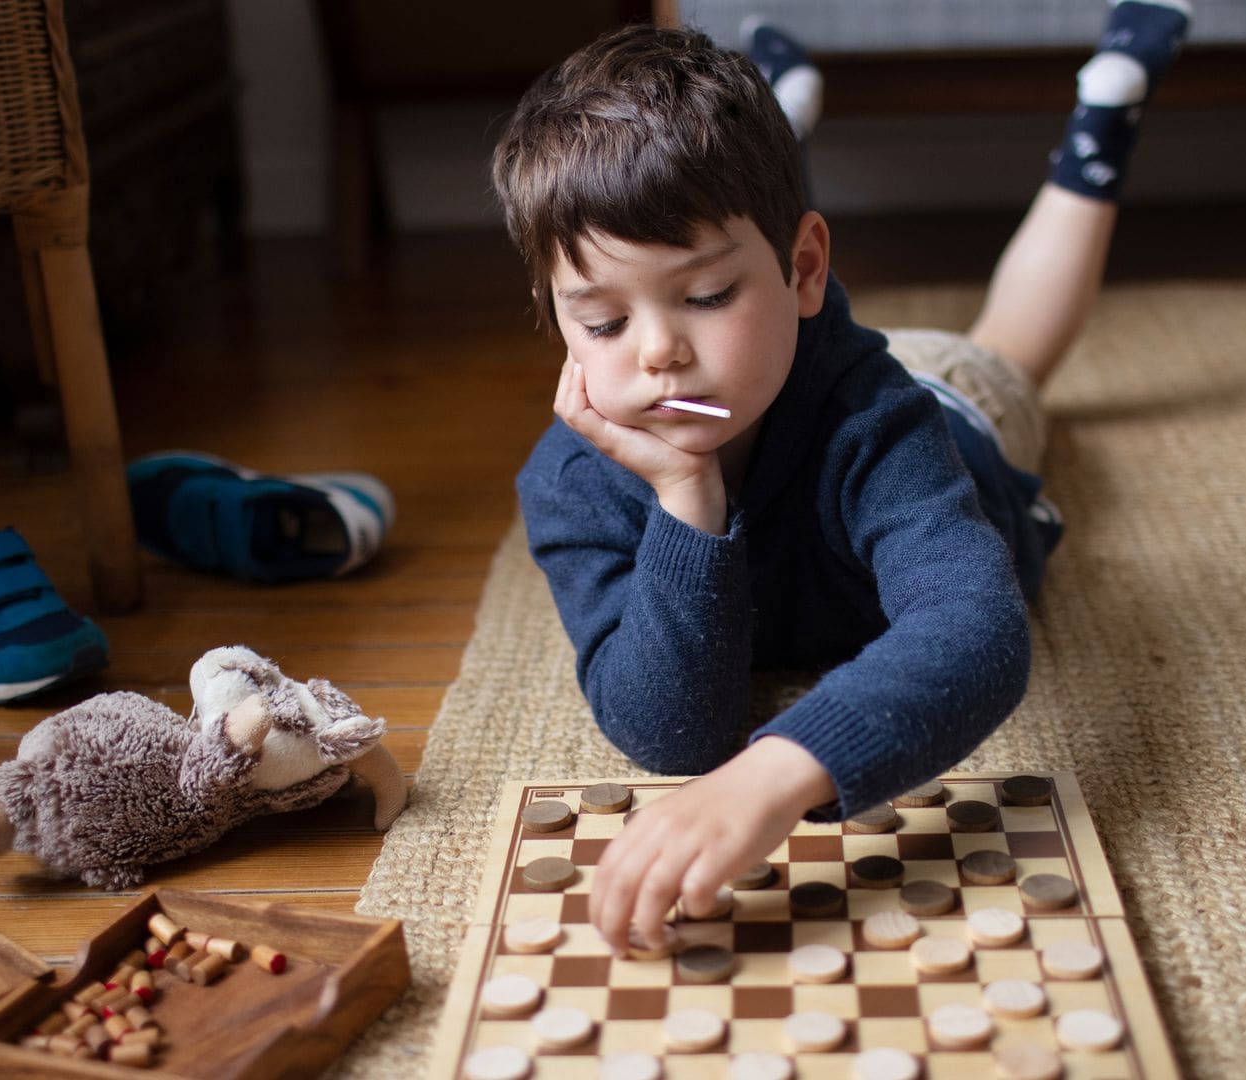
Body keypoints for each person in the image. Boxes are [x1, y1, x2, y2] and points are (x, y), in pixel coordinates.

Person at [491, 2, 1190, 952]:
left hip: (952, 408)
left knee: (1010, 349)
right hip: (784, 347)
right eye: (604, 323)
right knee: (741, 211)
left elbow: (978, 629)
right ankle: (783, 118)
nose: (658, 353)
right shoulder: (572, 478)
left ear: (806, 270)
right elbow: (671, 731)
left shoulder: (882, 422)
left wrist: (778, 770)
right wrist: (686, 500)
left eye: (705, 296)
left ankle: (1104, 114)